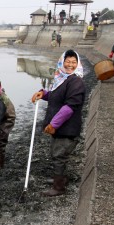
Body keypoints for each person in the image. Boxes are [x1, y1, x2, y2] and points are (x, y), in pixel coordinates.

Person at [31, 49, 86, 196]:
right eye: (67, 61)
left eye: (74, 62)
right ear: (62, 62)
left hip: (67, 127)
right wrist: (44, 94)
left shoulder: (76, 81)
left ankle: (58, 187)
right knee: (58, 153)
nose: (70, 65)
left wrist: (53, 124)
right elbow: (57, 96)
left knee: (58, 155)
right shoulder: (62, 78)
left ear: (78, 64)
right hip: (61, 126)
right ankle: (60, 178)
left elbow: (69, 107)